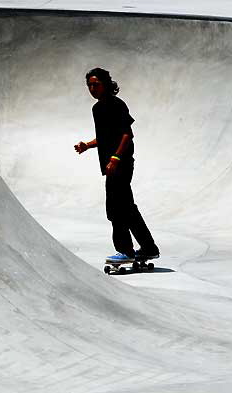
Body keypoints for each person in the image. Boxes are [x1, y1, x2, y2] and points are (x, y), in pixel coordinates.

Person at [74, 67, 159, 263]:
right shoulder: (97, 109)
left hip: (121, 164)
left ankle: (125, 251)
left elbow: (127, 134)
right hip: (110, 166)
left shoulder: (117, 105)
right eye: (89, 85)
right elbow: (105, 138)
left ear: (106, 84)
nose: (92, 88)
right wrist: (87, 145)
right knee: (127, 207)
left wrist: (115, 158)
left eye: (96, 84)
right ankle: (148, 247)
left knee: (115, 208)